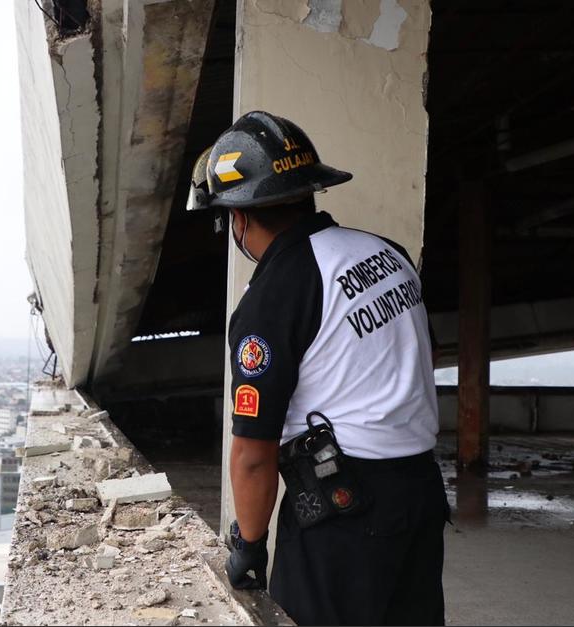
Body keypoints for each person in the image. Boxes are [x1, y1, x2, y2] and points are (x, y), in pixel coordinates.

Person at [186, 111, 448, 626]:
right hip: (421, 492)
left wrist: (250, 545)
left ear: (237, 218)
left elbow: (253, 453)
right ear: (308, 191)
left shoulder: (274, 295)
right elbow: (422, 355)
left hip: (344, 514)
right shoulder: (386, 253)